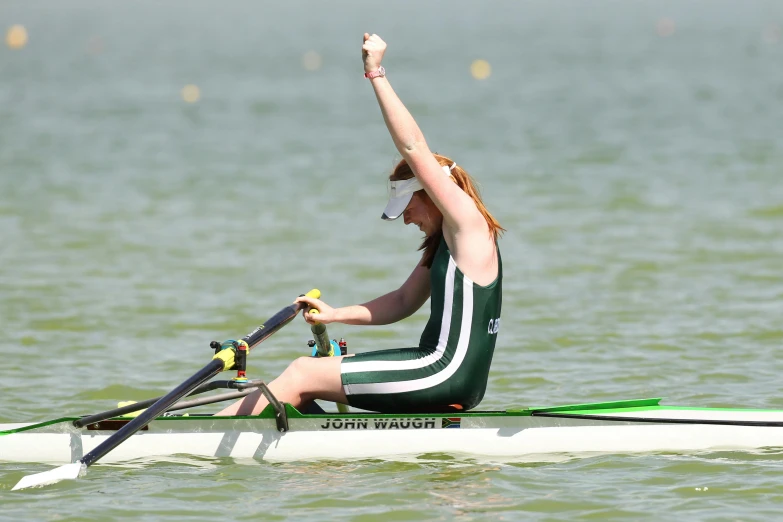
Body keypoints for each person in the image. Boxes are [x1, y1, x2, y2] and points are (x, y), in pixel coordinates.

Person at [217, 33, 503, 416]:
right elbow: (402, 301)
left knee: (303, 371)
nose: (405, 218)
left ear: (431, 192)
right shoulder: (447, 245)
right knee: (306, 385)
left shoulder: (467, 225)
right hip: (448, 374)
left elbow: (414, 148)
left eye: (407, 205)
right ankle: (319, 467)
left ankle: (194, 435)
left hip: (442, 371)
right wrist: (335, 314)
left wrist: (376, 73)